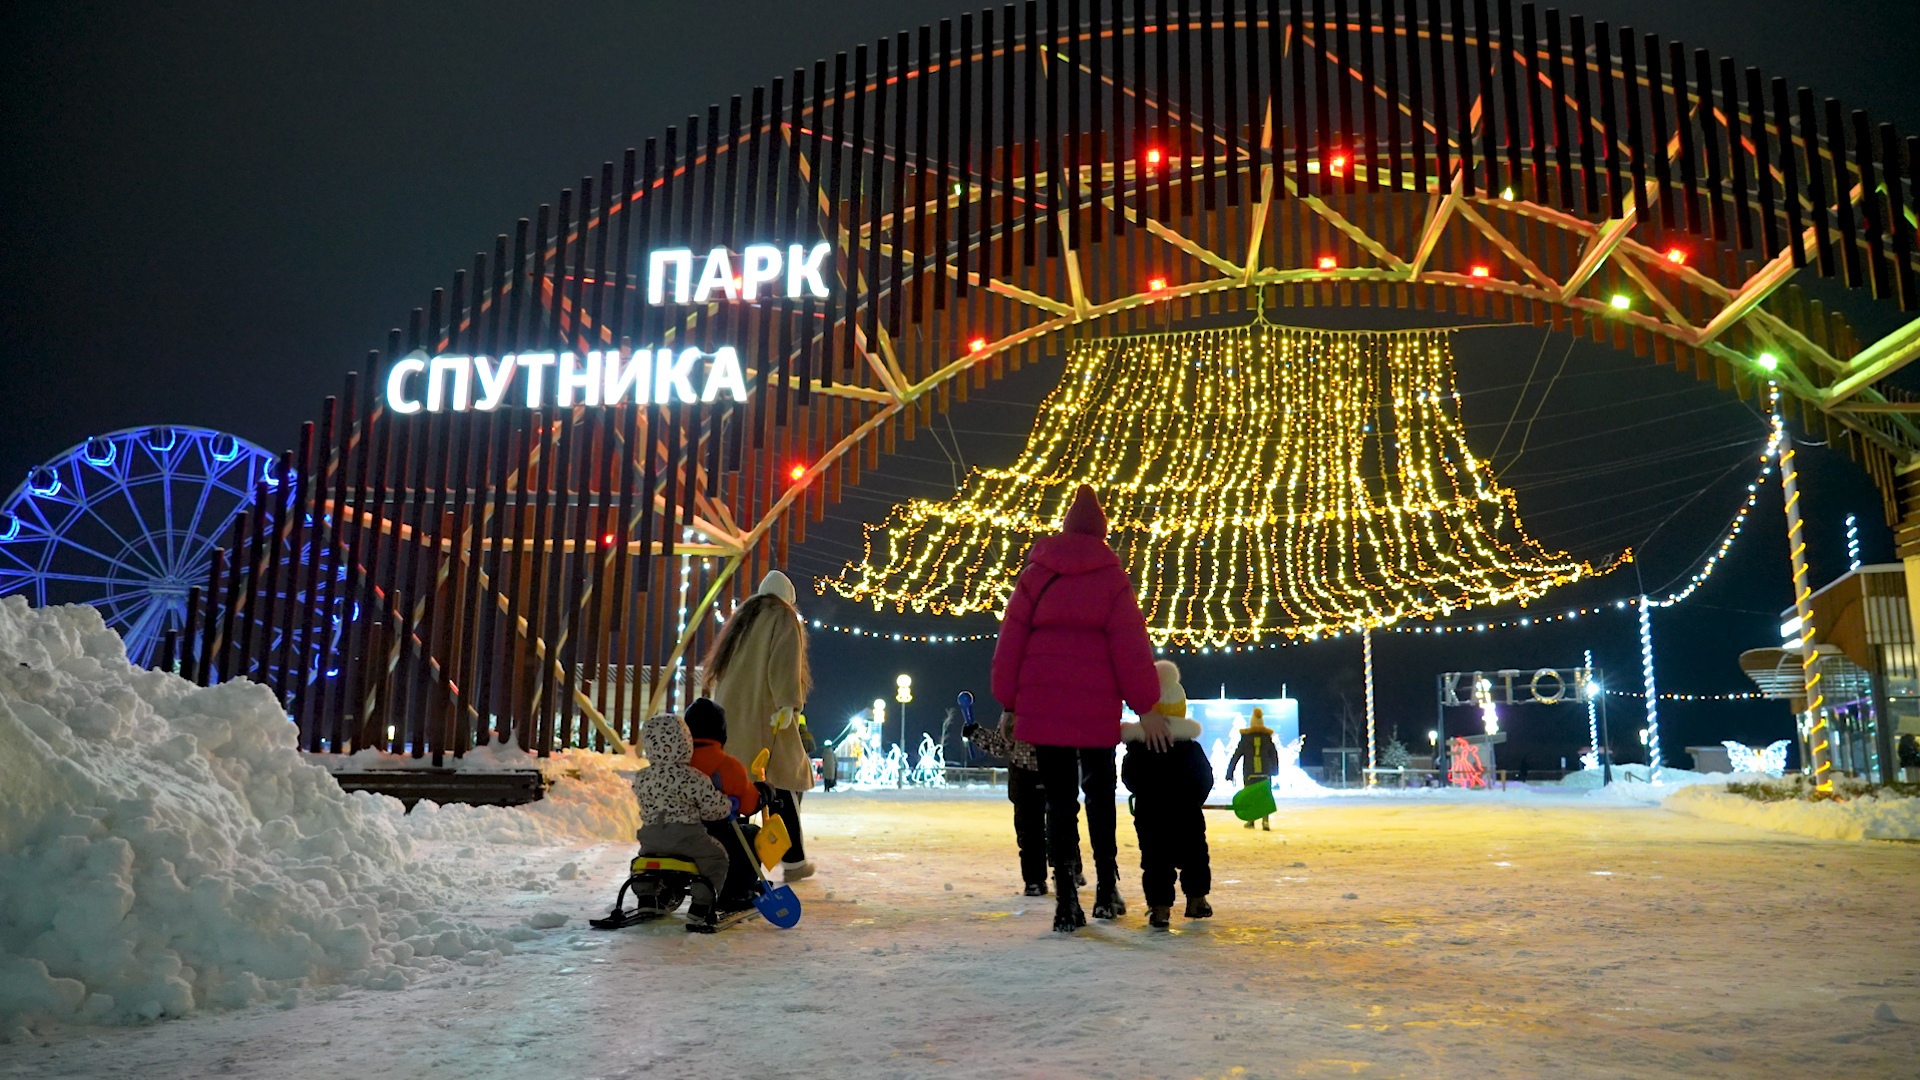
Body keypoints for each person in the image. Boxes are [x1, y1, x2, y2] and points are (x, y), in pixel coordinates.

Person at [991, 484, 1165, 933]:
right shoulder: (1111, 577)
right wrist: (1146, 704)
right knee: (1100, 798)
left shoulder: (1036, 574)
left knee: (1059, 803)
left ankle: (1067, 899)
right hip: (1096, 712)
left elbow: (1010, 642)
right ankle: (1106, 889)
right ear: (1102, 533)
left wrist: (1008, 701)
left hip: (1045, 711)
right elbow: (1131, 646)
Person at [702, 570, 816, 882]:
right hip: (766, 715)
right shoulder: (783, 618)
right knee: (779, 784)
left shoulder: (743, 620)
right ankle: (793, 862)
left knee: (740, 786)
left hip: (732, 714)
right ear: (787, 599)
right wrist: (788, 703)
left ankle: (731, 854)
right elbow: (784, 662)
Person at [1121, 661, 1214, 929]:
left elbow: (1129, 778)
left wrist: (1144, 793)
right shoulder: (1189, 747)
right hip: (1187, 812)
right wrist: (1195, 800)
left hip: (1150, 814)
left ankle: (1160, 909)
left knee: (1155, 861)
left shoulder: (1139, 747)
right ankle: (1197, 900)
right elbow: (1205, 779)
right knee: (1195, 856)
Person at [631, 712, 734, 933]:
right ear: (685, 742)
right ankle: (701, 905)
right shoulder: (692, 777)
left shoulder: (641, 777)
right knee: (716, 857)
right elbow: (713, 809)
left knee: (644, 862)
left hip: (651, 839)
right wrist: (727, 805)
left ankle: (647, 898)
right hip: (686, 837)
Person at [963, 711, 1082, 896]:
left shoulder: (1015, 708)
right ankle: (1068, 871)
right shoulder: (1062, 703)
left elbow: (1000, 745)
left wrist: (975, 733)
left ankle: (1035, 881)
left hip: (1024, 773)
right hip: (1058, 770)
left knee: (1030, 831)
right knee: (1063, 823)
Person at [683, 697, 771, 912]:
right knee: (749, 834)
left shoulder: (676, 762)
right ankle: (737, 891)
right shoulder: (726, 765)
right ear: (721, 731)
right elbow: (748, 805)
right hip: (714, 837)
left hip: (677, 834)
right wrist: (764, 793)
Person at [1227, 707, 1278, 831]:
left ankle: (1251, 820)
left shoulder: (1246, 738)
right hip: (1265, 773)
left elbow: (1236, 755)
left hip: (1250, 773)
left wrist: (1230, 772)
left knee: (1250, 796)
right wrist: (1275, 770)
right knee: (1265, 796)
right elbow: (1274, 755)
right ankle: (1265, 822)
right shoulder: (1267, 738)